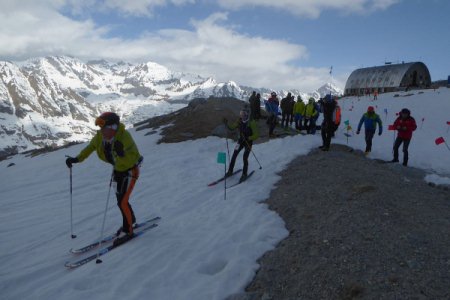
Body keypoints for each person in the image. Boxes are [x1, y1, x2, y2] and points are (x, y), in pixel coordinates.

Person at [65, 112, 143, 244]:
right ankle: (131, 221)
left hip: (131, 170)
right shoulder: (100, 138)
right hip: (117, 171)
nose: (101, 131)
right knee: (121, 200)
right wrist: (77, 159)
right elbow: (90, 148)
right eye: (100, 128)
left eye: (104, 128)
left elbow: (134, 157)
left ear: (113, 128)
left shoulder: (124, 137)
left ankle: (128, 230)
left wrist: (122, 153)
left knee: (122, 202)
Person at [223, 109, 259, 182]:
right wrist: (226, 124)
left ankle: (244, 174)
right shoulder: (239, 121)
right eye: (241, 113)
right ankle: (230, 171)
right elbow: (232, 128)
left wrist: (249, 137)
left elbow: (256, 135)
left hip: (248, 142)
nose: (242, 115)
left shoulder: (252, 122)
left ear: (247, 115)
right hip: (241, 141)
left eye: (243, 114)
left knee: (245, 157)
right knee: (234, 154)